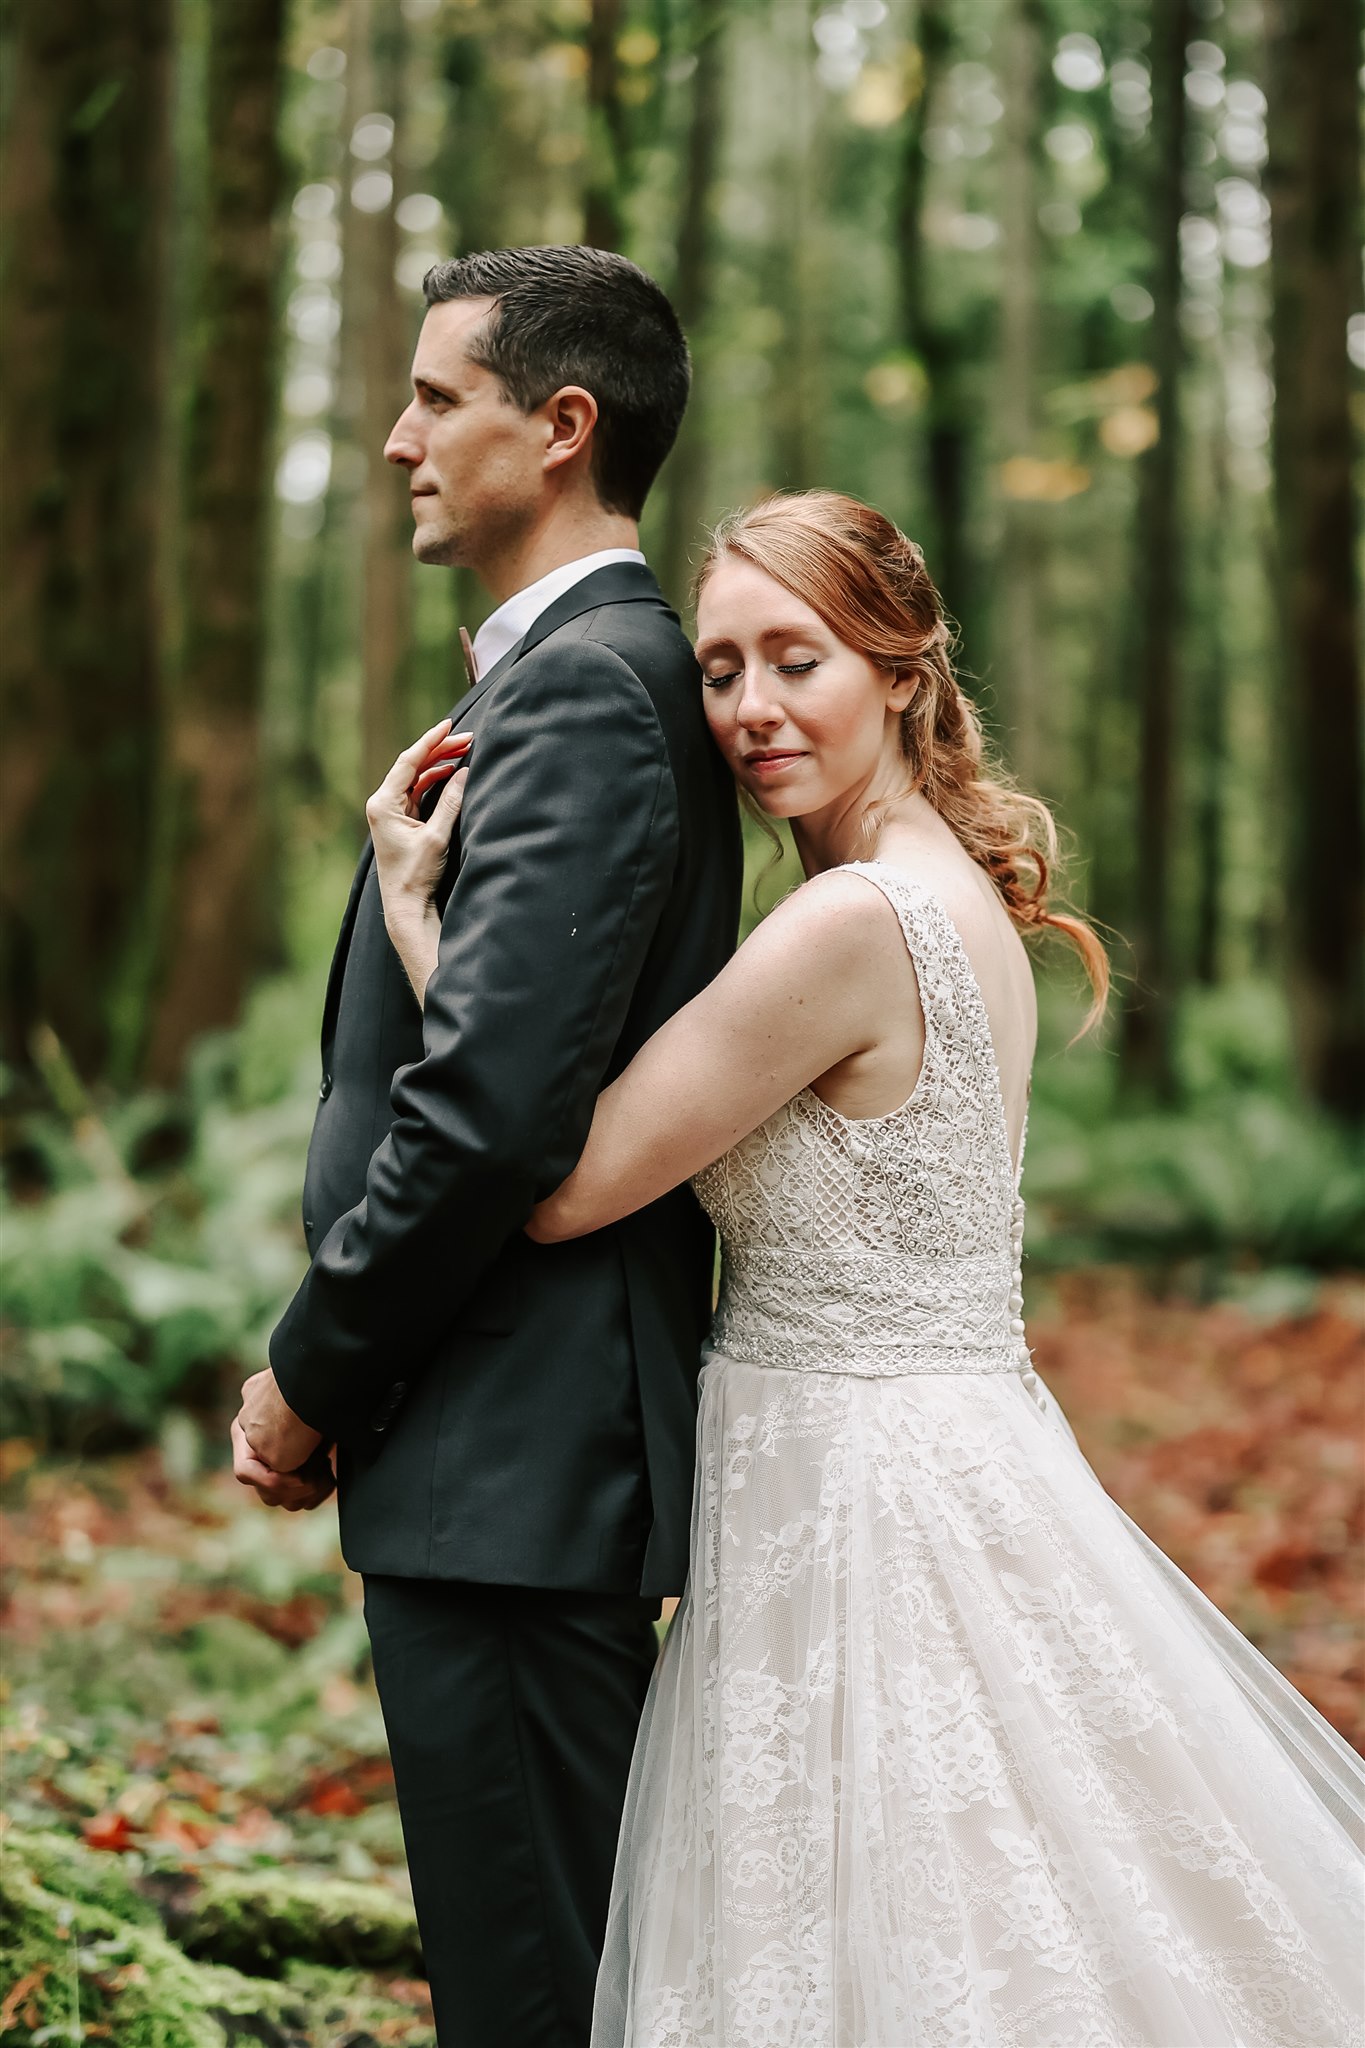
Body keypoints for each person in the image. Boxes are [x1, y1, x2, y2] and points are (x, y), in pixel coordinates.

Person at [376, 490, 1365, 2048]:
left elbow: (554, 1185)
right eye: (717, 670)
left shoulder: (846, 922)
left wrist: (424, 923)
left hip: (850, 1494)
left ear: (901, 673)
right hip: (949, 1450)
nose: (750, 710)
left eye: (797, 659)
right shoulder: (950, 897)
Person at [229, 245, 742, 2048]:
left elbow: (485, 1116)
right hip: (506, 1464)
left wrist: (312, 1372)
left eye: (438, 397)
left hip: (519, 1471)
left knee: (538, 1993)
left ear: (563, 425)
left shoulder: (594, 689)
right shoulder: (562, 684)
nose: (395, 441)